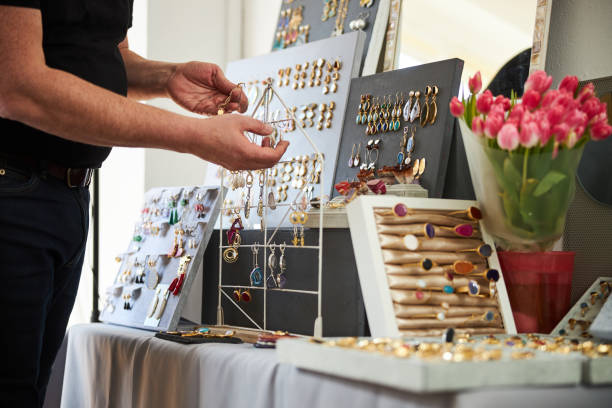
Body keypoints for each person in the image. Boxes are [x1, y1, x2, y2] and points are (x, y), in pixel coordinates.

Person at [0, 1, 289, 406]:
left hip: (68, 198)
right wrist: (196, 137)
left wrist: (167, 76)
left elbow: (97, 54)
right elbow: (18, 86)